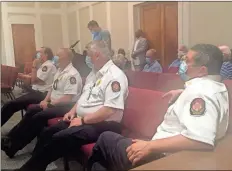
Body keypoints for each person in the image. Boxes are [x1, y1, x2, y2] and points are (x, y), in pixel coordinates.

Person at [86, 44, 229, 171]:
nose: (183, 63)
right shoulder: (216, 87)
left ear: (202, 70)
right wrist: (182, 92)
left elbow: (200, 139)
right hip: (165, 152)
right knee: (101, 163)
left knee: (105, 139)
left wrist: (150, 146)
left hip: (162, 158)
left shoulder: (200, 93)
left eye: (188, 61)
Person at [16, 40, 129, 171]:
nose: (87, 59)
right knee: (48, 132)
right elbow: (84, 97)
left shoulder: (115, 76)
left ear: (97, 55)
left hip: (104, 125)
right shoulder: (94, 73)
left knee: (59, 138)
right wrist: (72, 111)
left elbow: (109, 110)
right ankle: (35, 165)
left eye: (88, 55)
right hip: (84, 119)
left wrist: (82, 120)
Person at [1, 48, 83, 158]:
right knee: (32, 110)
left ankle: (14, 145)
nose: (56, 58)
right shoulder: (60, 70)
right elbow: (52, 89)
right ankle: (10, 139)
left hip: (66, 106)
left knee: (39, 116)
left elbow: (68, 98)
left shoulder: (72, 74)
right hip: (54, 102)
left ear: (67, 58)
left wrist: (50, 103)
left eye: (59, 56)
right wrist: (45, 100)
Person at [1, 47, 57, 126]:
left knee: (11, 104)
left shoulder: (48, 66)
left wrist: (34, 66)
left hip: (42, 94)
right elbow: (34, 78)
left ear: (46, 54)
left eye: (40, 53)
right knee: (12, 104)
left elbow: (34, 80)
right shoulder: (44, 65)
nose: (38, 55)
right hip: (36, 91)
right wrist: (24, 76)